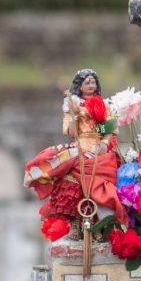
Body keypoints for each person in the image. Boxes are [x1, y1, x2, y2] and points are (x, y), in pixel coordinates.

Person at [23, 68, 125, 227]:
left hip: (98, 147)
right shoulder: (73, 104)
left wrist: (104, 143)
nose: (91, 85)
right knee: (72, 180)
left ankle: (100, 226)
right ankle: (76, 224)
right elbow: (71, 132)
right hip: (79, 146)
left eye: (93, 82)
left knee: (101, 181)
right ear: (80, 86)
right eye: (87, 83)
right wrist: (74, 115)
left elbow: (108, 129)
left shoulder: (103, 105)